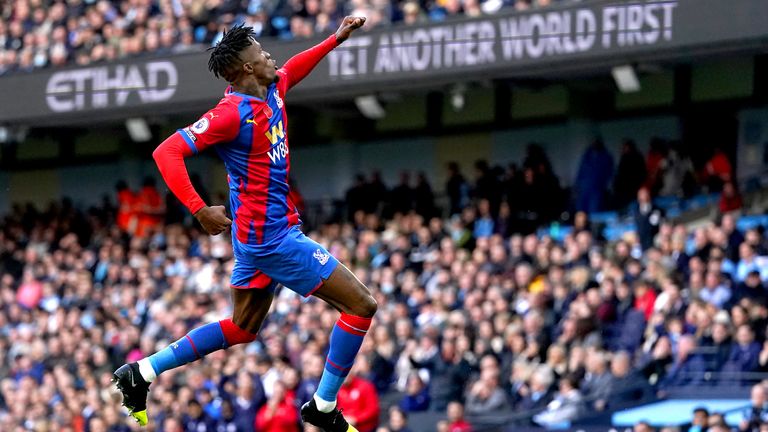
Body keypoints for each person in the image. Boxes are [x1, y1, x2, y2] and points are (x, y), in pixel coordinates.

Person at [112, 18, 377, 432]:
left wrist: (336, 39)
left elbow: (296, 67)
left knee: (241, 328)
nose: (272, 57)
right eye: (262, 53)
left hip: (260, 235)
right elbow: (167, 152)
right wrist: (199, 209)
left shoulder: (272, 87)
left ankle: (141, 372)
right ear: (247, 68)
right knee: (361, 306)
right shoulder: (230, 113)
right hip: (270, 239)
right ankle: (323, 405)